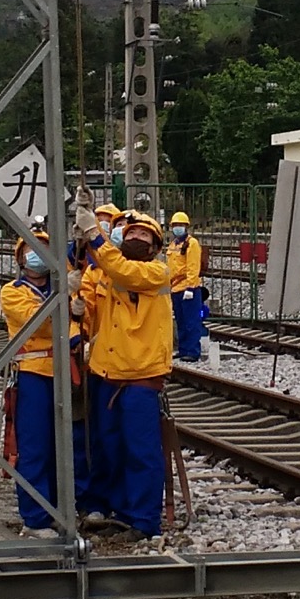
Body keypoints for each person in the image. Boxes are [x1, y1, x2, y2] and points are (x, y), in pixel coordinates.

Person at [84, 210, 175, 537]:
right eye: (130, 234)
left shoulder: (155, 272)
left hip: (139, 377)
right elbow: (92, 261)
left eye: (143, 236)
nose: (135, 238)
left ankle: (144, 519)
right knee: (113, 449)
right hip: (110, 374)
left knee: (140, 452)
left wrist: (95, 235)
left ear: (155, 246)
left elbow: (119, 268)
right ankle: (122, 513)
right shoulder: (110, 270)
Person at [0, 226, 87, 531]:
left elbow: (75, 328)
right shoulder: (13, 292)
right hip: (33, 375)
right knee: (35, 448)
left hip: (66, 372)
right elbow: (40, 323)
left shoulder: (60, 288)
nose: (36, 254)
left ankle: (61, 510)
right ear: (21, 258)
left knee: (65, 447)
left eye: (43, 248)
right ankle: (35, 518)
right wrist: (67, 306)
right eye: (30, 249)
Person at [167, 211, 209, 363]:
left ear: (186, 226)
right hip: (175, 288)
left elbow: (193, 267)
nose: (178, 227)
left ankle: (192, 351)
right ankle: (184, 349)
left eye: (181, 225)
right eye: (175, 225)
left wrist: (191, 288)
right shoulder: (173, 245)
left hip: (188, 288)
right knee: (181, 321)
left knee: (191, 321)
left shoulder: (192, 244)